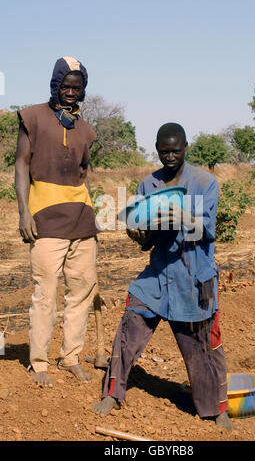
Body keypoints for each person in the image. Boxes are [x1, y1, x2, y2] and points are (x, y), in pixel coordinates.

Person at [92, 122, 233, 431]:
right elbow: (148, 241)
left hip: (196, 278)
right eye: (164, 151)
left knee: (205, 346)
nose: (170, 156)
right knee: (130, 325)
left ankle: (216, 410)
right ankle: (114, 394)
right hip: (158, 275)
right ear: (157, 149)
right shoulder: (148, 185)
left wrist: (179, 216)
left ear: (185, 148)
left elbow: (205, 230)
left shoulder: (205, 183)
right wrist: (138, 231)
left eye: (176, 150)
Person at [15, 56, 107, 388]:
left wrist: (95, 220)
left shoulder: (85, 129)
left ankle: (71, 357)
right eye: (65, 86)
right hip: (45, 219)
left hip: (82, 221)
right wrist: (24, 212)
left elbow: (82, 176)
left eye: (77, 87)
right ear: (55, 85)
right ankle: (39, 362)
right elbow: (21, 165)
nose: (70, 92)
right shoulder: (33, 118)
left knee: (81, 292)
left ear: (83, 90)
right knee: (46, 293)